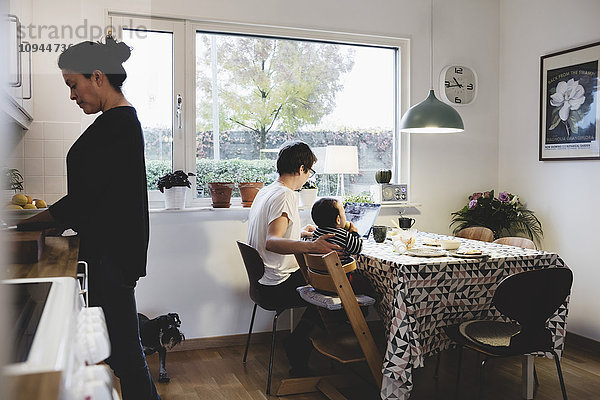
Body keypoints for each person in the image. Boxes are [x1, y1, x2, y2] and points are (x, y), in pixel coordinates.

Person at [17, 36, 160, 400]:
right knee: (124, 354)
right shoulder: (117, 123)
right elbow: (93, 197)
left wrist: (24, 223)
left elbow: (83, 200)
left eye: (72, 84)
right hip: (109, 254)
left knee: (127, 356)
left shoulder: (119, 124)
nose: (72, 95)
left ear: (97, 77)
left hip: (110, 257)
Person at [247, 141, 341, 376]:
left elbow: (269, 233)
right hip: (277, 285)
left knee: (331, 284)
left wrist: (300, 233)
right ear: (301, 169)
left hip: (263, 282)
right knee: (339, 290)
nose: (307, 177)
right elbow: (271, 241)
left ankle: (301, 343)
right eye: (309, 171)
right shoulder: (286, 195)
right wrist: (313, 247)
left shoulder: (267, 191)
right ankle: (299, 344)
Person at [310, 197, 372, 294]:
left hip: (320, 284)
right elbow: (357, 248)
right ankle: (361, 309)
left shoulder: (316, 233)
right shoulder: (343, 235)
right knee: (367, 283)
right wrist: (354, 234)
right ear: (338, 220)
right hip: (340, 283)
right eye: (344, 214)